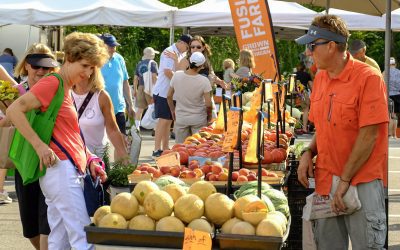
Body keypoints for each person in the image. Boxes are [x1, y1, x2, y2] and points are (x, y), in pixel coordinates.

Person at [7, 32, 109, 250]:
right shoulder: (53, 83)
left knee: (58, 239)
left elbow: (69, 133)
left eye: (93, 68)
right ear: (70, 58)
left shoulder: (65, 87)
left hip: (65, 169)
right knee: (82, 235)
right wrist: (39, 145)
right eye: (85, 65)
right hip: (61, 170)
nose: (89, 72)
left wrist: (90, 158)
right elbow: (16, 109)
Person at [296, 14, 388, 249]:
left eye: (312, 46)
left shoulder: (369, 78)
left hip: (362, 181)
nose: (308, 52)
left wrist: (346, 179)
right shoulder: (321, 78)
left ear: (332, 46)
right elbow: (323, 128)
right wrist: (308, 151)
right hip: (327, 181)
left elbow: (369, 135)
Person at [0, 44, 58, 250]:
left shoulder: (58, 92)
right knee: (31, 228)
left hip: (50, 163)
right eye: (36, 66)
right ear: (26, 66)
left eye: (46, 67)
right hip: (24, 164)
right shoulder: (16, 92)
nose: (41, 71)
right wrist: (8, 115)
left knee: (46, 225)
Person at [72, 68, 129, 161]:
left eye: (84, 66)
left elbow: (113, 130)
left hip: (97, 161)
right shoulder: (64, 94)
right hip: (71, 160)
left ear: (92, 69)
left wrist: (125, 159)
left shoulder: (102, 96)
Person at [151, 34, 191, 158]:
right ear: (182, 43)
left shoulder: (181, 54)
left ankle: (165, 147)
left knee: (168, 121)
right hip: (163, 92)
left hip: (170, 93)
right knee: (163, 121)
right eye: (188, 47)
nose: (188, 50)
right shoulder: (169, 51)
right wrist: (180, 82)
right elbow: (167, 72)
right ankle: (157, 149)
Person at [167, 52, 212, 143]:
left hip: (181, 117)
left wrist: (172, 110)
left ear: (189, 61)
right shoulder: (204, 81)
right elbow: (208, 104)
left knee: (181, 148)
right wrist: (209, 117)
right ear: (202, 66)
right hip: (199, 118)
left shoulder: (177, 75)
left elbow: (168, 96)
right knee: (198, 148)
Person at [99, 33, 134, 135]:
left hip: (118, 107)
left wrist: (130, 105)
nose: (113, 49)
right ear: (101, 46)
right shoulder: (95, 60)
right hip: (100, 108)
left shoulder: (119, 59)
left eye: (114, 46)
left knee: (122, 141)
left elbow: (125, 82)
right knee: (100, 144)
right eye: (110, 46)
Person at [133, 47, 159, 130]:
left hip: (140, 87)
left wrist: (135, 89)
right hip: (150, 88)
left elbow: (135, 78)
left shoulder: (139, 64)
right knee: (154, 108)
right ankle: (155, 128)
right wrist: (158, 87)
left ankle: (136, 128)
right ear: (152, 55)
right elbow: (154, 77)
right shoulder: (153, 63)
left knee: (140, 109)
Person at [295, 63, 313, 133]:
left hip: (294, 93)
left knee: (293, 109)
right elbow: (311, 86)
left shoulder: (294, 74)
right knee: (305, 109)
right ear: (304, 68)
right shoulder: (306, 75)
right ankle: (304, 128)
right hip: (303, 92)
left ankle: (293, 127)